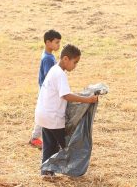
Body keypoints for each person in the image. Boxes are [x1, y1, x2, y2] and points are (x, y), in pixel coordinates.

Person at [34, 44, 98, 176]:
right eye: (75, 62)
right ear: (65, 59)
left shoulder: (54, 70)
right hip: (53, 117)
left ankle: (46, 171)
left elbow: (64, 92)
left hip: (43, 115)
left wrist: (82, 96)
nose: (75, 66)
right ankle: (73, 169)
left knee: (49, 145)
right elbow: (66, 95)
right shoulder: (60, 75)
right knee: (67, 144)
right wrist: (88, 100)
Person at [29, 29, 62, 149]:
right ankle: (35, 138)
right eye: (56, 42)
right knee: (44, 114)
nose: (58, 45)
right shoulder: (48, 58)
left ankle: (37, 136)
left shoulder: (49, 55)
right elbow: (49, 77)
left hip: (45, 90)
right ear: (48, 42)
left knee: (44, 114)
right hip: (46, 91)